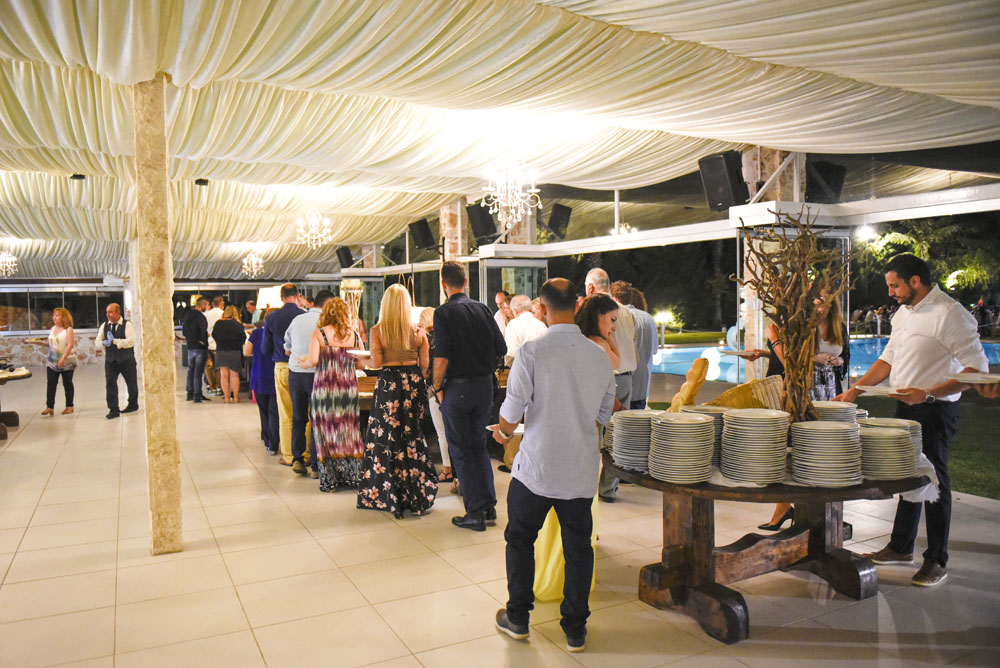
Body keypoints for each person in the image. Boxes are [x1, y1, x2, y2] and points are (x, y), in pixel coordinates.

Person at [835, 254, 988, 587]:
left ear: (915, 281)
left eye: (895, 285)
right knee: (907, 475)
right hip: (906, 408)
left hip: (936, 410)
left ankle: (936, 560)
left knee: (934, 482)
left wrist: (928, 394)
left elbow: (977, 371)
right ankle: (901, 546)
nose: (891, 293)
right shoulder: (904, 313)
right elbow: (887, 358)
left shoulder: (950, 314)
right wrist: (855, 391)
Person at [491, 278, 616, 653]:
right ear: (577, 306)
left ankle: (518, 618)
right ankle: (575, 630)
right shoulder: (600, 356)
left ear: (542, 310)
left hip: (536, 469)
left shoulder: (531, 353)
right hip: (579, 469)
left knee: (520, 540)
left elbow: (511, 415)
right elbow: (604, 414)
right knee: (579, 549)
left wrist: (503, 433)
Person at [433, 261, 507, 531]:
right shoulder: (483, 309)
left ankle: (474, 512)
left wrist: (437, 387)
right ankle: (488, 506)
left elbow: (441, 357)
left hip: (458, 388)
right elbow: (502, 347)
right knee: (478, 447)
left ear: (444, 284)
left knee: (461, 450)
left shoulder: (443, 313)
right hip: (484, 387)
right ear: (465, 282)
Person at [357, 284, 438, 517]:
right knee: (411, 435)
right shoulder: (418, 331)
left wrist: (361, 363)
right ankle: (416, 492)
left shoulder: (378, 331)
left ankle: (388, 493)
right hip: (413, 383)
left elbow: (375, 363)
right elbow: (425, 367)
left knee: (386, 437)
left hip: (389, 385)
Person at [298, 297, 365, 491]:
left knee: (326, 432)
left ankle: (331, 479)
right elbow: (361, 364)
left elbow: (312, 361)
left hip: (325, 390)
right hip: (347, 390)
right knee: (349, 431)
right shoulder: (354, 335)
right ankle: (353, 476)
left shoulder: (319, 334)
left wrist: (302, 362)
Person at [585, 268, 637, 503]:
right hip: (625, 377)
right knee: (616, 437)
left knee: (595, 435)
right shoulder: (627, 312)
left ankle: (590, 486)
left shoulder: (593, 312)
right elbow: (633, 343)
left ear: (590, 287)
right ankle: (608, 488)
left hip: (605, 377)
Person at [285, 290, 334, 477]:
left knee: (298, 418)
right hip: (318, 374)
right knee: (316, 420)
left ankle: (297, 458)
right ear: (328, 304)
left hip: (296, 373)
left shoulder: (297, 319)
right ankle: (315, 465)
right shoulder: (328, 324)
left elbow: (287, 347)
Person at [261, 284, 306, 466]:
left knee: (286, 413)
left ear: (281, 297)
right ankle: (306, 453)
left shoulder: (272, 318)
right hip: (303, 366)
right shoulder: (304, 316)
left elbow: (265, 348)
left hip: (282, 366)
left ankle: (288, 455)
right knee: (304, 413)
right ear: (298, 296)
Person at [418, 306, 454, 485]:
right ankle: (456, 468)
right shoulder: (449, 336)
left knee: (442, 431)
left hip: (435, 390)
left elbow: (426, 371)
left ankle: (447, 469)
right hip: (453, 387)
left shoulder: (427, 340)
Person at [611, 282, 657, 409]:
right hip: (642, 384)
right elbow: (654, 350)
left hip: (622, 382)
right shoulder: (649, 318)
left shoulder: (617, 317)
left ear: (614, 298)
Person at [94, 303, 138, 419]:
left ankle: (133, 405)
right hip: (110, 361)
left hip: (126, 360)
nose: (108, 314)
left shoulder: (127, 325)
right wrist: (103, 343)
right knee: (110, 384)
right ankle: (113, 409)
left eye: (111, 312)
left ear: (118, 312)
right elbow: (97, 341)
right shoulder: (104, 325)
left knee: (131, 384)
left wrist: (115, 341)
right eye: (107, 312)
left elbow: (131, 341)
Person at [245, 308, 278, 455]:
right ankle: (275, 442)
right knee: (275, 412)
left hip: (259, 374)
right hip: (275, 375)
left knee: (263, 412)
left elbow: (247, 352)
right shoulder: (280, 333)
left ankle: (268, 441)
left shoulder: (256, 333)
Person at [42, 307, 76, 416]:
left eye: (57, 315)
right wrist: (34, 342)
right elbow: (50, 343)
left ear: (63, 317)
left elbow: (70, 344)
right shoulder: (53, 328)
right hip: (52, 361)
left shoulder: (68, 329)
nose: (54, 317)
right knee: (51, 383)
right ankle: (49, 406)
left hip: (67, 361)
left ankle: (69, 406)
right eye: (54, 315)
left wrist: (63, 358)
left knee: (67, 383)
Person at [212, 306, 246, 403]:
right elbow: (243, 338)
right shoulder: (238, 325)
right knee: (234, 376)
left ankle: (226, 398)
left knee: (224, 375)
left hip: (221, 351)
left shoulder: (218, 323)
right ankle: (235, 397)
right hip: (234, 351)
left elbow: (214, 335)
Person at [503, 294, 547, 367]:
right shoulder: (542, 326)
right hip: (541, 369)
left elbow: (511, 355)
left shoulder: (512, 325)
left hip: (521, 369)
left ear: (515, 311)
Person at [182, 297, 211, 403]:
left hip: (190, 346)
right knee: (198, 372)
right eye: (206, 305)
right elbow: (203, 331)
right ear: (203, 305)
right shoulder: (201, 317)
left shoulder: (187, 315)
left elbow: (185, 331)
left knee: (191, 370)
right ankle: (197, 395)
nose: (207, 307)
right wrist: (204, 342)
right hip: (200, 347)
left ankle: (190, 393)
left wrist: (190, 339)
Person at [204, 296, 225, 396]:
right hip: (219, 344)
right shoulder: (223, 314)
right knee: (219, 367)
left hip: (207, 343)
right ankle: (219, 387)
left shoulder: (206, 314)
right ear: (222, 304)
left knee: (208, 367)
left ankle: (211, 386)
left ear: (212, 304)